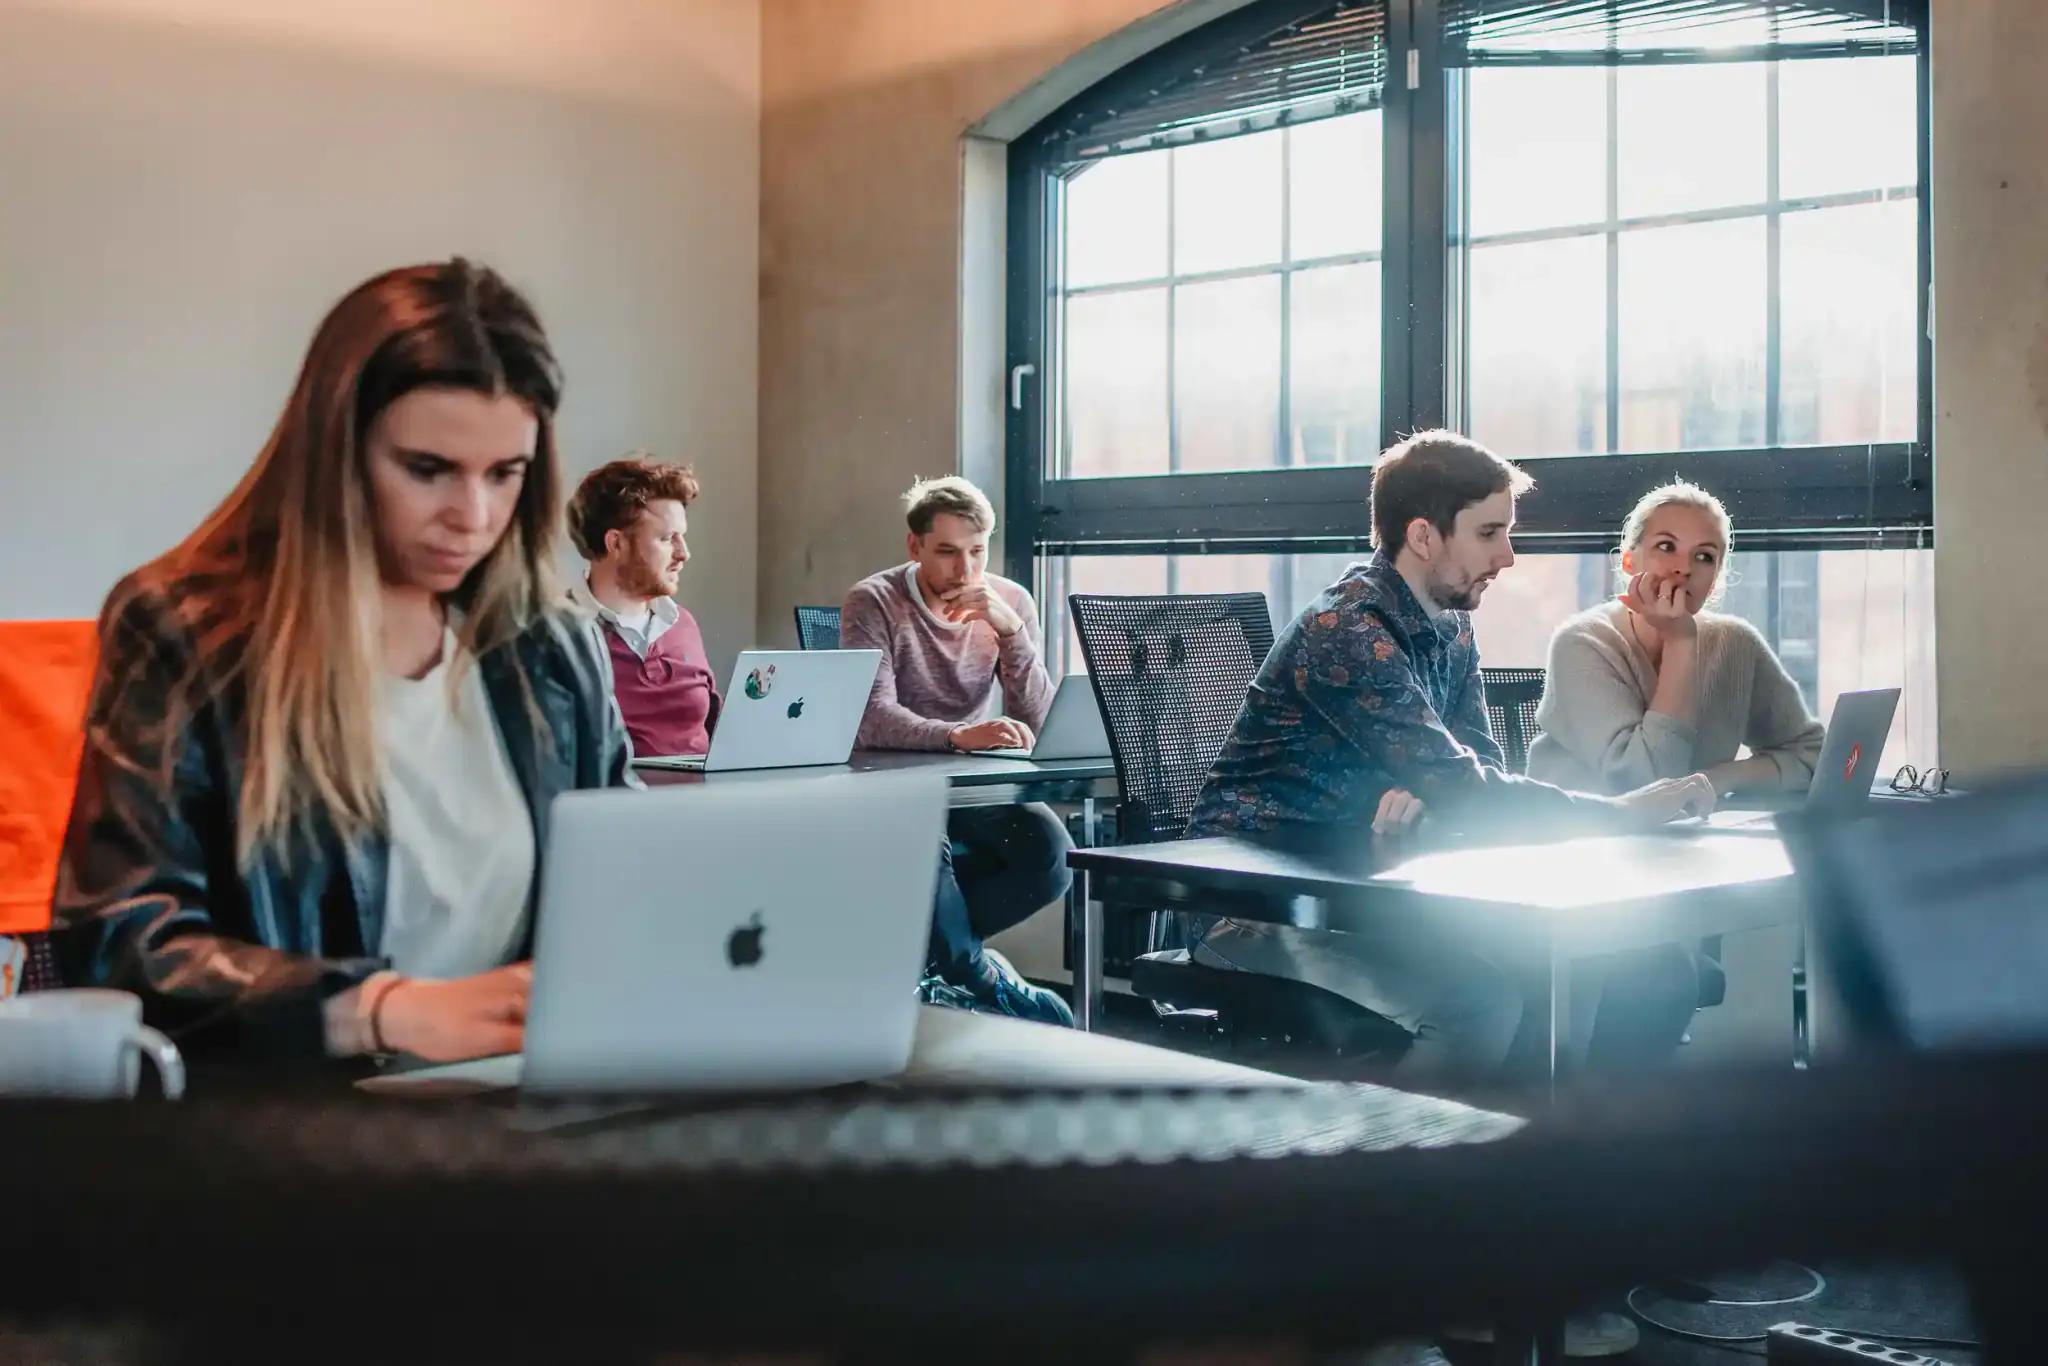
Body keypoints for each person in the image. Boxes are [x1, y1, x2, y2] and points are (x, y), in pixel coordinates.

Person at [54, 259, 635, 1065]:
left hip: (523, 1115)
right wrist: (380, 1011)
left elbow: (634, 879)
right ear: (337, 452)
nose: (472, 518)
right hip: (295, 1135)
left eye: (505, 475)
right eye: (427, 470)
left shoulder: (554, 648)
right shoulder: (187, 634)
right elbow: (122, 945)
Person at [1185, 431, 1715, 1084]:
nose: (1510, 555)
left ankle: (1549, 1162)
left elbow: (1479, 775)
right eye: (1490, 532)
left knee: (1639, 966)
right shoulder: (1347, 633)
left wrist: (1450, 811)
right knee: (1478, 1005)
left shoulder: (1450, 623)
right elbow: (1467, 792)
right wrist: (1620, 813)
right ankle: (1406, 1179)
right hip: (1256, 907)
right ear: (1424, 537)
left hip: (1363, 882)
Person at [841, 475, 1074, 1027]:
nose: (965, 571)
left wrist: (1013, 633)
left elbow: (1039, 717)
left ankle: (925, 963)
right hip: (891, 781)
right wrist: (955, 735)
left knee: (1051, 855)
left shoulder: (1010, 601)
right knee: (925, 849)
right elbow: (870, 718)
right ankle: (980, 978)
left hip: (971, 782)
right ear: (914, 546)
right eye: (946, 552)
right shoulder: (872, 600)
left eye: (977, 551)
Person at [1526, 479, 1824, 797]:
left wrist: (1722, 778)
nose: (1683, 568)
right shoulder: (1581, 642)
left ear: (1714, 581)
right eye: (1666, 547)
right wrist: (1680, 642)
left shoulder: (1736, 643)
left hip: (1686, 838)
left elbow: (1813, 756)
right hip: (1579, 837)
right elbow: (1646, 785)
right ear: (1629, 561)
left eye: (1705, 557)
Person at [566, 456, 721, 760]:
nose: (684, 553)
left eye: (682, 537)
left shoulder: (682, 624)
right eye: (667, 539)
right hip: (616, 805)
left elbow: (719, 731)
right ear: (616, 544)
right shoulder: (560, 634)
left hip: (703, 803)